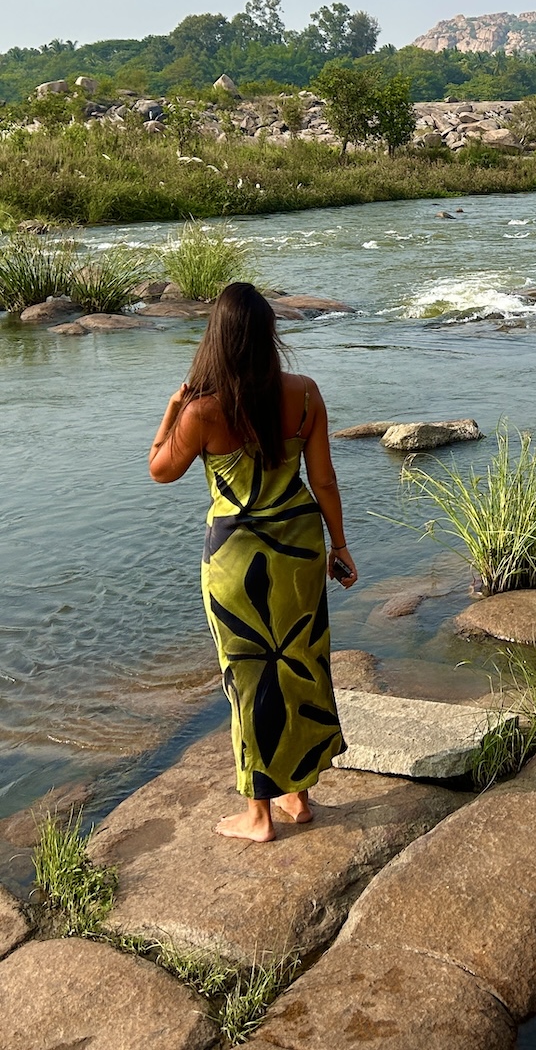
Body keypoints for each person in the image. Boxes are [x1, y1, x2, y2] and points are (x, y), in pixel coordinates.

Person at [149, 282, 357, 842]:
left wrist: (172, 410)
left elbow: (160, 470)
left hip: (236, 563)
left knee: (248, 678)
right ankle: (298, 795)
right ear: (268, 335)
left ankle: (258, 815)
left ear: (216, 339)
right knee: (301, 667)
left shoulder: (202, 411)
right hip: (300, 549)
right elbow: (326, 481)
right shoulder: (305, 394)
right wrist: (340, 546)